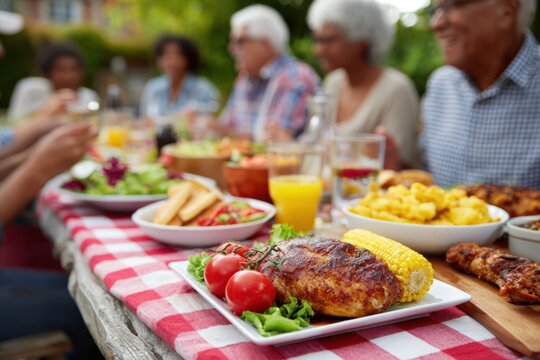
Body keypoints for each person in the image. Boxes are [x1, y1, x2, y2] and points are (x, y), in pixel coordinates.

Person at [419, 0, 539, 188]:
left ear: (506, 12)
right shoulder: (441, 84)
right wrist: (397, 166)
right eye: (437, 10)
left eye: (451, 7)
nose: (436, 24)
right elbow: (427, 183)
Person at [307, 0, 420, 168]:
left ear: (359, 42)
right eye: (317, 40)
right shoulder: (334, 82)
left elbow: (401, 167)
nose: (317, 50)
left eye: (328, 40)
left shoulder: (397, 90)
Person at [219, 4, 320, 142]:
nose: (231, 48)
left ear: (265, 44)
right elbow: (228, 128)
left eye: (240, 41)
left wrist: (221, 132)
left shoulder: (294, 76)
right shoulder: (245, 78)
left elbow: (273, 142)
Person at [7, 42, 99, 120]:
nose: (69, 76)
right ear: (47, 73)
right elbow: (14, 123)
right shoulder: (30, 89)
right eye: (61, 70)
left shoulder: (88, 96)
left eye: (74, 69)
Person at [140, 35, 219, 117]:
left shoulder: (203, 88)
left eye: (177, 54)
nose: (170, 60)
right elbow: (144, 118)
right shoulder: (153, 87)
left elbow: (211, 118)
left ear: (189, 58)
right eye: (165, 54)